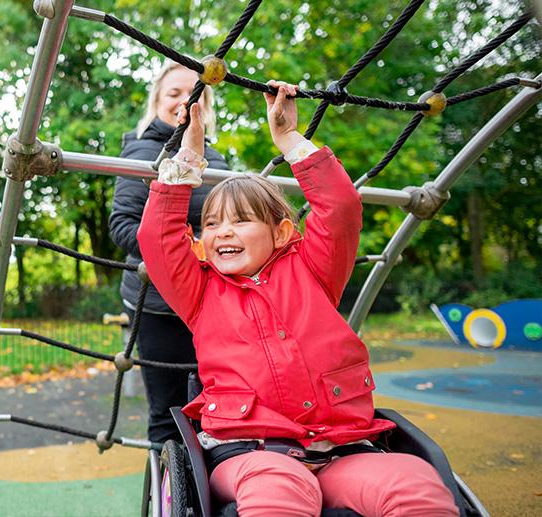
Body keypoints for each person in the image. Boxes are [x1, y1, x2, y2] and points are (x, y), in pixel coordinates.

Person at [136, 81, 458, 516]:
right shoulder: (201, 291)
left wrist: (289, 138)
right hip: (251, 453)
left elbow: (340, 208)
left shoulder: (313, 270)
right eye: (211, 225)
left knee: (413, 481)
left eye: (241, 221)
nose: (222, 232)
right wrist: (189, 156)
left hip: (342, 449)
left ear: (282, 232)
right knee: (280, 487)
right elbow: (157, 238)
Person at [109, 62, 230, 444]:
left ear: (205, 106)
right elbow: (123, 226)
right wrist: (186, 251)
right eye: (173, 93)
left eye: (194, 94)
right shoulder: (144, 153)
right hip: (158, 303)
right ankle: (171, 498)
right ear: (157, 101)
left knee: (214, 406)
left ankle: (206, 489)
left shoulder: (219, 161)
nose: (184, 101)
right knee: (168, 412)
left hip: (209, 300)